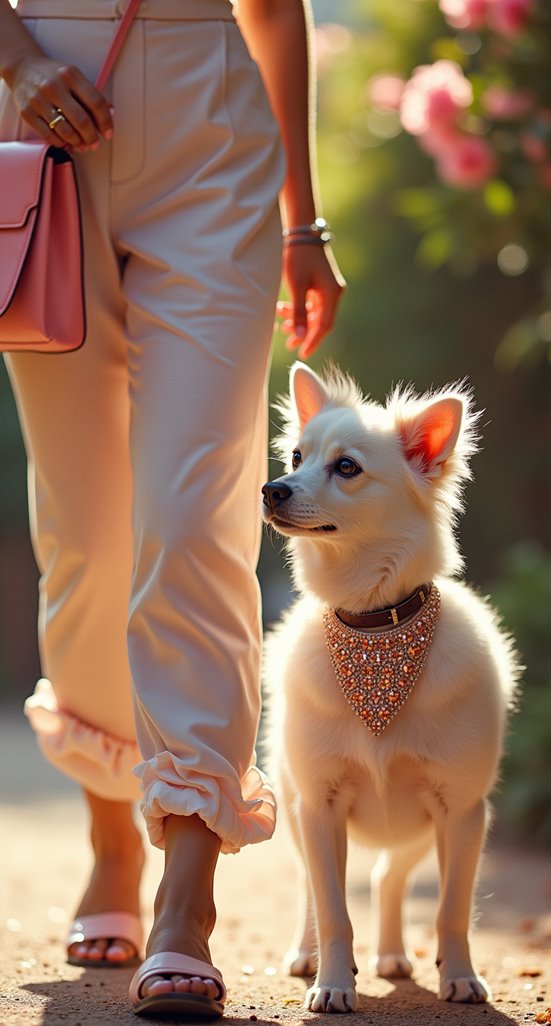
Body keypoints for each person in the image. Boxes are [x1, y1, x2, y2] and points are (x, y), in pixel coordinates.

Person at [0, 0, 344, 1016]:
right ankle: (113, 831)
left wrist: (302, 220)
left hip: (213, 142)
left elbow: (273, 7)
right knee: (88, 539)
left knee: (195, 517)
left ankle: (183, 902)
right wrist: (16, 59)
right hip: (40, 130)